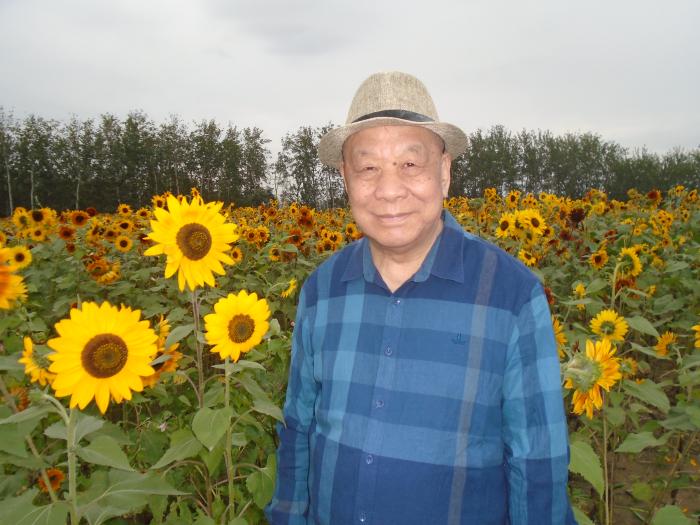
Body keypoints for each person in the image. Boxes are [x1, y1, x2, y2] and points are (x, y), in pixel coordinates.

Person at [266, 71, 577, 524]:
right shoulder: (322, 290)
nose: (390, 190)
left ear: (444, 172)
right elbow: (299, 429)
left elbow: (537, 464)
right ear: (345, 178)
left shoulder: (509, 295)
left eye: (410, 164)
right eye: (368, 168)